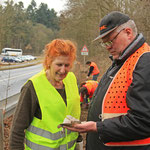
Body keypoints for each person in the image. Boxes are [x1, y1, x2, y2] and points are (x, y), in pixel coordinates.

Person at [62, 11, 150, 150]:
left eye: (110, 40)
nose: (108, 46)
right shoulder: (122, 60)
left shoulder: (144, 62)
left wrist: (96, 126)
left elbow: (143, 122)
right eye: (105, 43)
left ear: (128, 32)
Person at [9, 39, 81, 150]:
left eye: (67, 65)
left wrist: (79, 141)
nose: (63, 70)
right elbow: (17, 129)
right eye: (59, 64)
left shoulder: (72, 80)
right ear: (49, 62)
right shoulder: (33, 87)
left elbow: (72, 114)